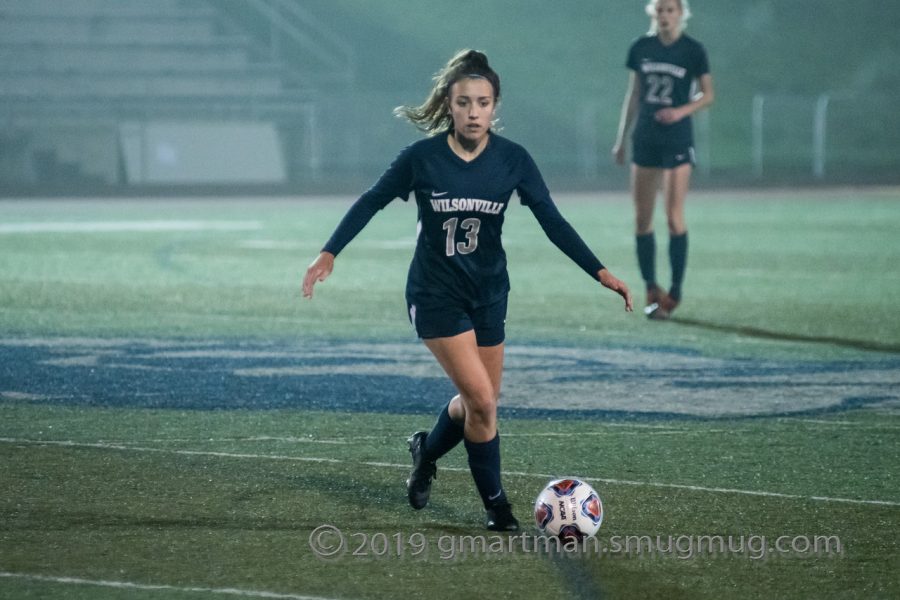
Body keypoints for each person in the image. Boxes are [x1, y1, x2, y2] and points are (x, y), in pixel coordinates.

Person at [303, 49, 632, 531]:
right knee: (482, 401)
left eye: (482, 102)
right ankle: (498, 507)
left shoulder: (513, 159)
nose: (473, 111)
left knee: (480, 402)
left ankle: (426, 450)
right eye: (463, 102)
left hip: (489, 293)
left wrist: (599, 271)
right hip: (435, 295)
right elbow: (372, 200)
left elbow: (552, 221)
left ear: (495, 106)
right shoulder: (423, 158)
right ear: (449, 105)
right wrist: (329, 251)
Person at [611, 0, 714, 319]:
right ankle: (650, 288)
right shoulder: (640, 47)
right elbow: (634, 95)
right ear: (653, 14)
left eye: (671, 10)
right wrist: (621, 139)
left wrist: (681, 111)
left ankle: (676, 290)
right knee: (642, 219)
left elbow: (707, 94)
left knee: (673, 218)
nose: (665, 16)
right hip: (645, 139)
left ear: (681, 14)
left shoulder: (693, 50)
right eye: (661, 11)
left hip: (677, 140)